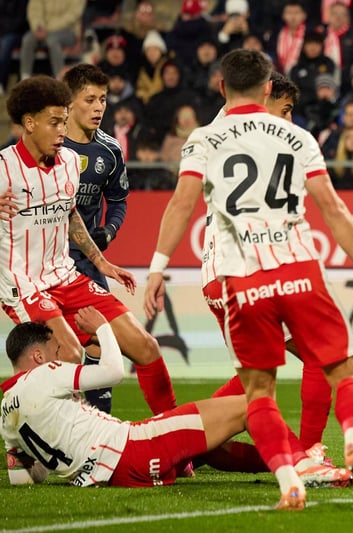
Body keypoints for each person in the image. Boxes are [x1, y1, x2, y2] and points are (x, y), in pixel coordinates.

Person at [142, 49, 353, 510]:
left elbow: (180, 204)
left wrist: (157, 267)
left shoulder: (204, 138)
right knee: (343, 370)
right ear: (269, 88)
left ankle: (289, 481)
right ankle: (347, 443)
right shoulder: (296, 136)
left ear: (222, 87)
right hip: (297, 269)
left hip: (238, 279)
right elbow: (334, 208)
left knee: (258, 393)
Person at [0, 76, 178, 423]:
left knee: (146, 347)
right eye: (54, 122)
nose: (62, 130)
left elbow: (69, 214)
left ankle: (175, 431)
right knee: (69, 355)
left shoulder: (68, 161)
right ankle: (27, 433)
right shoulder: (4, 168)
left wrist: (100, 261)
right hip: (24, 285)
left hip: (67, 276)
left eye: (64, 121)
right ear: (29, 123)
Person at [2, 308, 267, 489]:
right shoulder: (45, 374)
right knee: (247, 406)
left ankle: (280, 461)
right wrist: (103, 328)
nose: (61, 357)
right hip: (135, 447)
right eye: (56, 351)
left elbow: (22, 478)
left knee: (207, 441)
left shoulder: (6, 413)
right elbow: (114, 372)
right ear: (38, 356)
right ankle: (292, 465)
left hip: (117, 476)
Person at [62, 64, 130, 415]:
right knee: (57, 348)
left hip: (88, 263)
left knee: (102, 339)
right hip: (46, 264)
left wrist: (109, 231)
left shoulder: (110, 150)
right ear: (69, 102)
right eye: (90, 99)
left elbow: (118, 201)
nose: (99, 107)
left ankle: (99, 422)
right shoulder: (49, 145)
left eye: (103, 99)